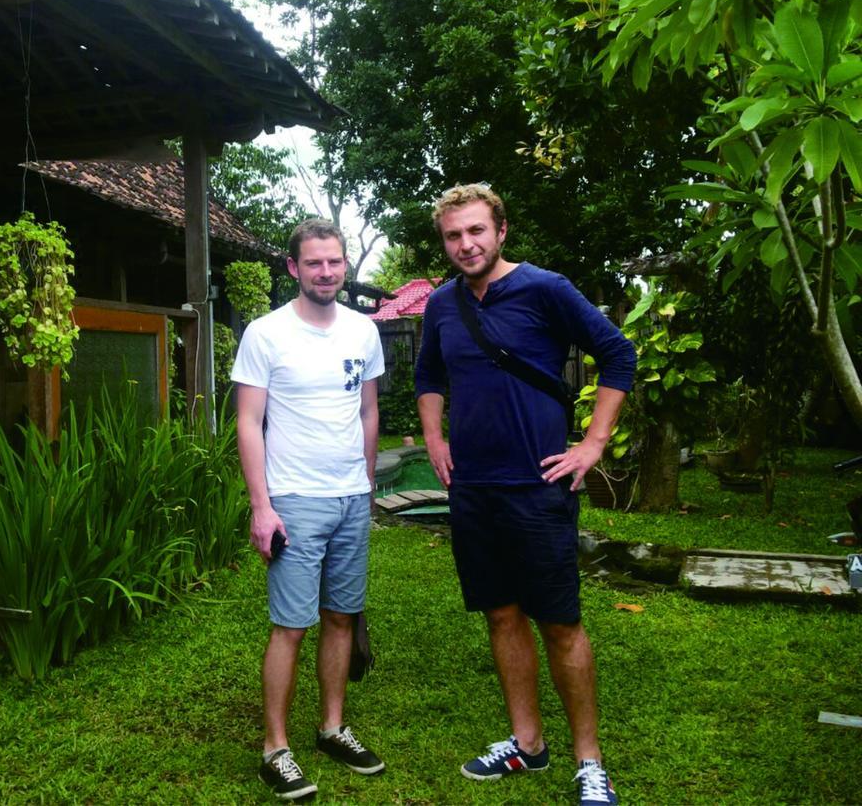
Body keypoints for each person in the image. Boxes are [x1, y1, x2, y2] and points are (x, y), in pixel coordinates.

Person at [414, 184, 635, 806]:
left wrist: (592, 445)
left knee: (560, 623)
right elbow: (429, 373)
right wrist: (434, 440)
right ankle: (527, 743)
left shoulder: (545, 288)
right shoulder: (439, 305)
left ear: (501, 230)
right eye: (454, 236)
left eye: (476, 231)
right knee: (501, 613)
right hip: (473, 490)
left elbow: (618, 355)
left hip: (539, 487)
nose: (466, 244)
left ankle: (588, 760)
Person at [232, 218, 387, 800]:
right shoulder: (266, 333)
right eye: (314, 263)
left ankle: (332, 726)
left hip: (350, 497)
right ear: (294, 268)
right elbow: (249, 421)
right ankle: (275, 748)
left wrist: (366, 483)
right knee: (291, 625)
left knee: (343, 615)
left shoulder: (363, 332)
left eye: (335, 261)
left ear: (346, 265)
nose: (326, 272)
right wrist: (261, 506)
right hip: (294, 500)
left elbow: (369, 411)